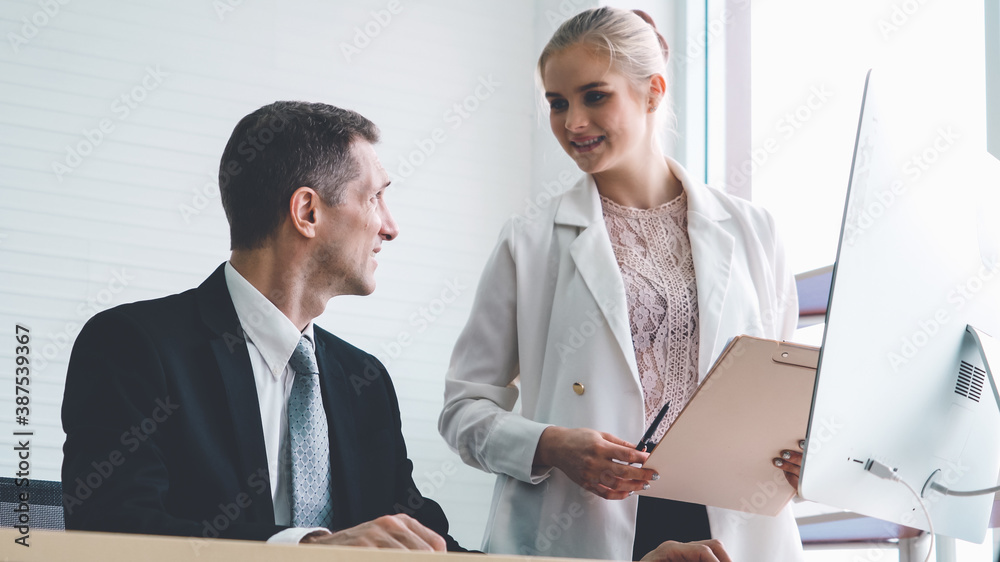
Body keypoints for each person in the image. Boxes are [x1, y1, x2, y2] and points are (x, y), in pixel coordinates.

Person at [439, 7, 804, 561]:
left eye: (594, 96)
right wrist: (550, 445)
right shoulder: (529, 242)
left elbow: (785, 396)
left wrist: (805, 459)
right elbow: (463, 411)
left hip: (734, 523)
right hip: (582, 522)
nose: (572, 122)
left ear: (652, 92)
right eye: (557, 103)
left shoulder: (756, 232)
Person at [61, 101, 465, 552]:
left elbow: (421, 536)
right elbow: (113, 529)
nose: (390, 227)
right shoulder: (132, 346)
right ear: (307, 212)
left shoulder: (363, 381)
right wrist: (305, 549)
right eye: (374, 198)